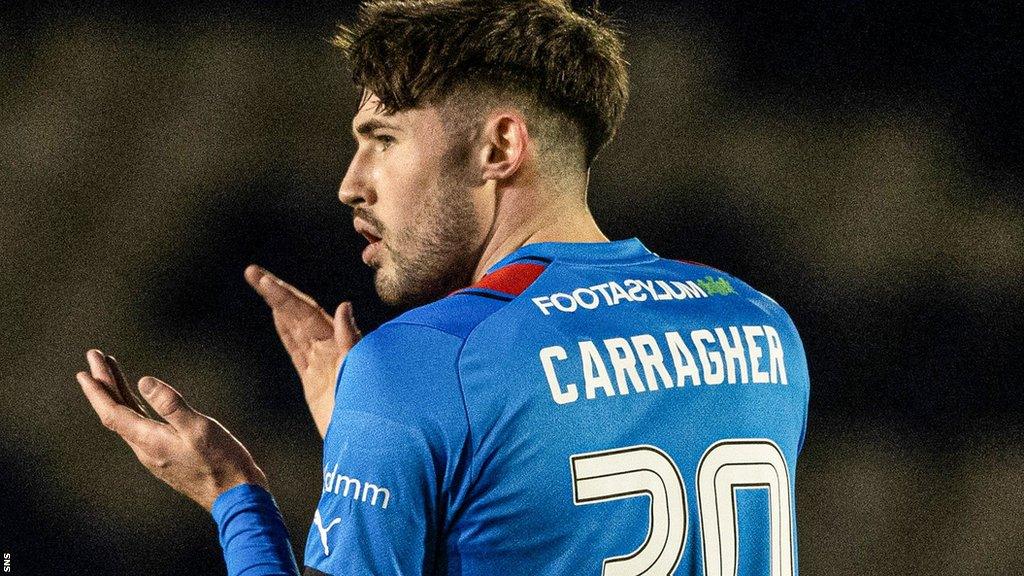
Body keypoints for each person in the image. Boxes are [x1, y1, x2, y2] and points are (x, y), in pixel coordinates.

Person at [77, 0, 810, 574]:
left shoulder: (427, 362)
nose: (349, 185)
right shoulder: (761, 325)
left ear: (497, 147)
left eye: (383, 140)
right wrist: (388, 447)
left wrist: (233, 493)